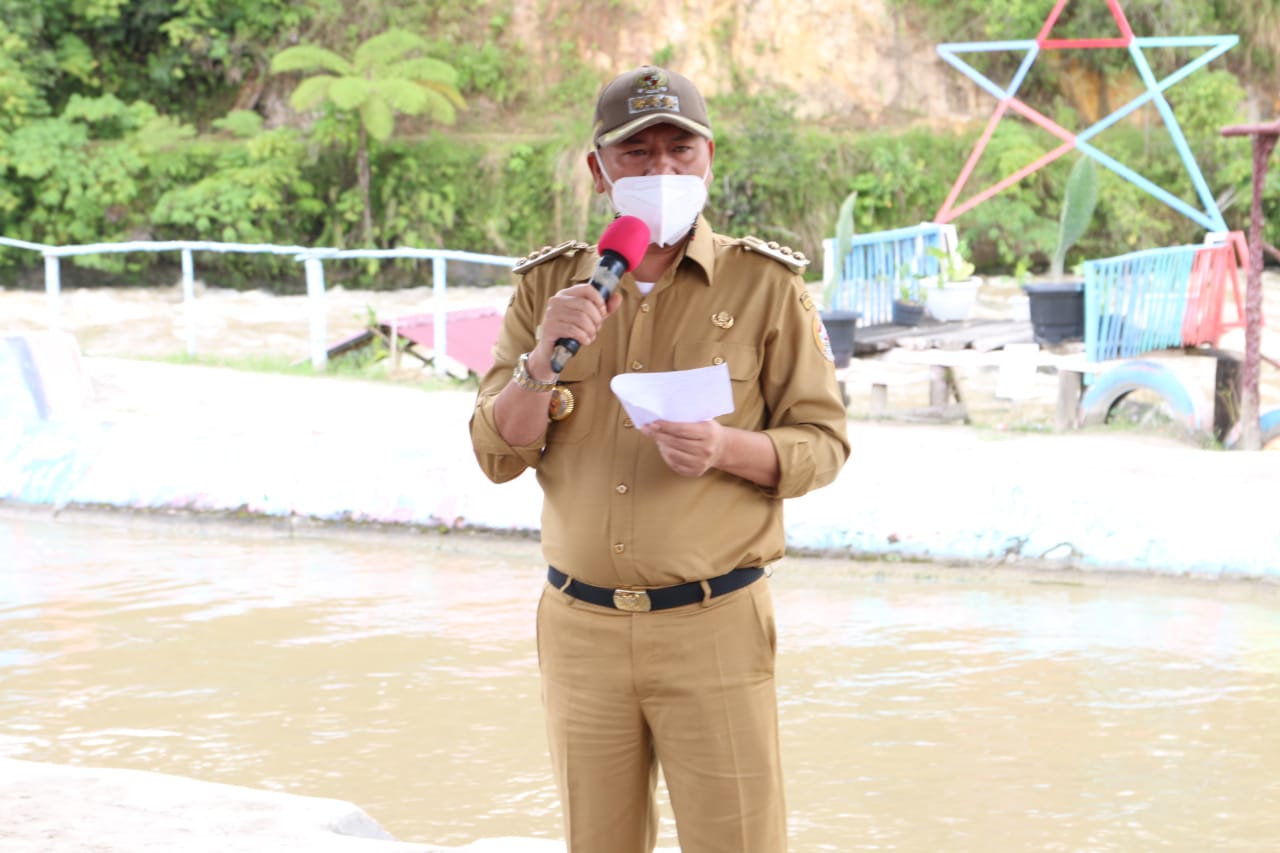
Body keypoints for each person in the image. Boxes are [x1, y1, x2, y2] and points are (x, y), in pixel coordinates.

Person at [469, 65, 850, 853]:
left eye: (681, 150)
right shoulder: (549, 288)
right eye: (638, 154)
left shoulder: (765, 285)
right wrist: (542, 361)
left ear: (710, 158)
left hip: (715, 622)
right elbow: (494, 454)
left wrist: (727, 448)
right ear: (598, 167)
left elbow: (824, 443)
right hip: (579, 630)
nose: (663, 171)